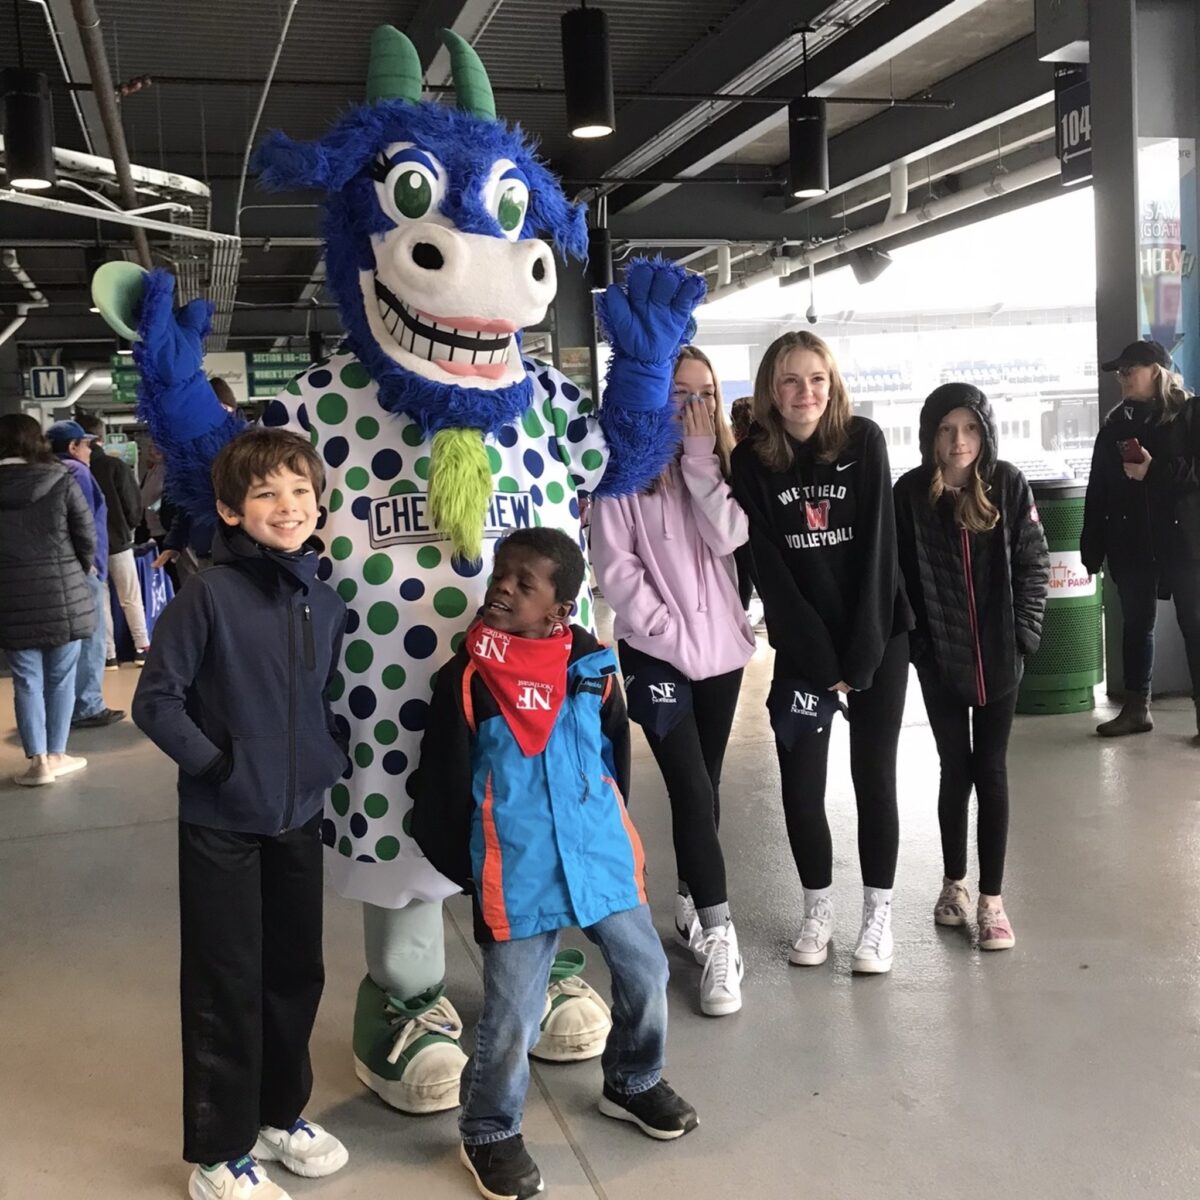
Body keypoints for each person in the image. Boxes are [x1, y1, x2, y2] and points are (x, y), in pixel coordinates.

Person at [413, 528, 697, 1200]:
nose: (503, 587)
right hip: (516, 869)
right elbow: (441, 792)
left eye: (525, 582)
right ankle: (488, 1130)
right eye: (501, 574)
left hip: (599, 857)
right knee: (513, 1009)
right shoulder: (468, 680)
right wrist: (477, 865)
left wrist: (605, 824)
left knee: (647, 970)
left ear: (560, 608)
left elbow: (613, 760)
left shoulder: (591, 667)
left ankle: (633, 1080)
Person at [132, 428, 350, 1200]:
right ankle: (220, 1152)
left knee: (296, 971)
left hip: (296, 814)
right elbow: (155, 703)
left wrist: (326, 755)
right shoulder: (208, 595)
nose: (286, 507)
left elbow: (319, 696)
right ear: (230, 510)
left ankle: (278, 1114)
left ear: (318, 503)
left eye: (298, 491)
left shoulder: (323, 599)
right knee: (227, 981)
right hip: (223, 822)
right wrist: (219, 768)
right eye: (265, 494)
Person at [730, 331, 913, 975]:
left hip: (876, 640)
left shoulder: (864, 442)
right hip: (804, 651)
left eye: (816, 379)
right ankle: (816, 909)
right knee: (801, 790)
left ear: (831, 385)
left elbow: (878, 556)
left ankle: (877, 916)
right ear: (770, 392)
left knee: (874, 780)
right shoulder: (752, 460)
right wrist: (816, 659)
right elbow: (769, 569)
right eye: (789, 381)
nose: (804, 393)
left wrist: (859, 661)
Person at [591, 345, 755, 1016]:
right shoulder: (620, 472)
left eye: (705, 394)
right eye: (679, 394)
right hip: (656, 654)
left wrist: (698, 462)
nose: (695, 407)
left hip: (724, 653)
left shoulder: (722, 467)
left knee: (707, 785)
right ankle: (719, 932)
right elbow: (615, 566)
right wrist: (664, 631)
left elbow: (732, 538)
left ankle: (691, 903)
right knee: (687, 785)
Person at [894, 384, 1049, 951]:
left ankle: (993, 900)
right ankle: (954, 885)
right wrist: (919, 649)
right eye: (947, 430)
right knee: (953, 768)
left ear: (984, 433)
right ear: (930, 436)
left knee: (992, 769)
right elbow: (899, 582)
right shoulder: (909, 494)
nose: (959, 441)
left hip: (1001, 659)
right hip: (939, 661)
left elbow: (1034, 564)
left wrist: (1023, 637)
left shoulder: (1008, 484)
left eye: (970, 429)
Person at [1081, 339, 1200, 738]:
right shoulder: (1116, 426)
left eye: (1130, 369)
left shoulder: (1191, 416)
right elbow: (1098, 489)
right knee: (1136, 624)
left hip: (1185, 543)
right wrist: (1091, 546)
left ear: (1157, 371)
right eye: (1120, 371)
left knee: (1196, 624)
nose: (1123, 377)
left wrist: (1155, 470)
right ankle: (1137, 709)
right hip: (1131, 542)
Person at [0, 414, 94, 786]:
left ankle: (37, 762)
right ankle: (58, 753)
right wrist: (76, 569)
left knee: (26, 680)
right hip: (62, 592)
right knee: (61, 678)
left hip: (10, 596)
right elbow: (84, 534)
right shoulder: (60, 479)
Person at [46, 421, 124, 728]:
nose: (91, 450)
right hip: (85, 567)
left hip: (60, 569)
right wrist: (91, 562)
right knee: (91, 637)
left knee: (68, 642)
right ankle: (88, 705)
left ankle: (67, 705)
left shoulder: (46, 472)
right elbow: (85, 520)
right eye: (87, 445)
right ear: (72, 447)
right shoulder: (76, 472)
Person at [75, 411, 150, 667]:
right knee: (131, 596)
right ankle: (141, 648)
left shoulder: (74, 470)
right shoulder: (114, 466)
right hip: (118, 541)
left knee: (100, 600)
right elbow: (133, 505)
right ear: (100, 437)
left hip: (87, 546)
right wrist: (128, 527)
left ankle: (109, 655)